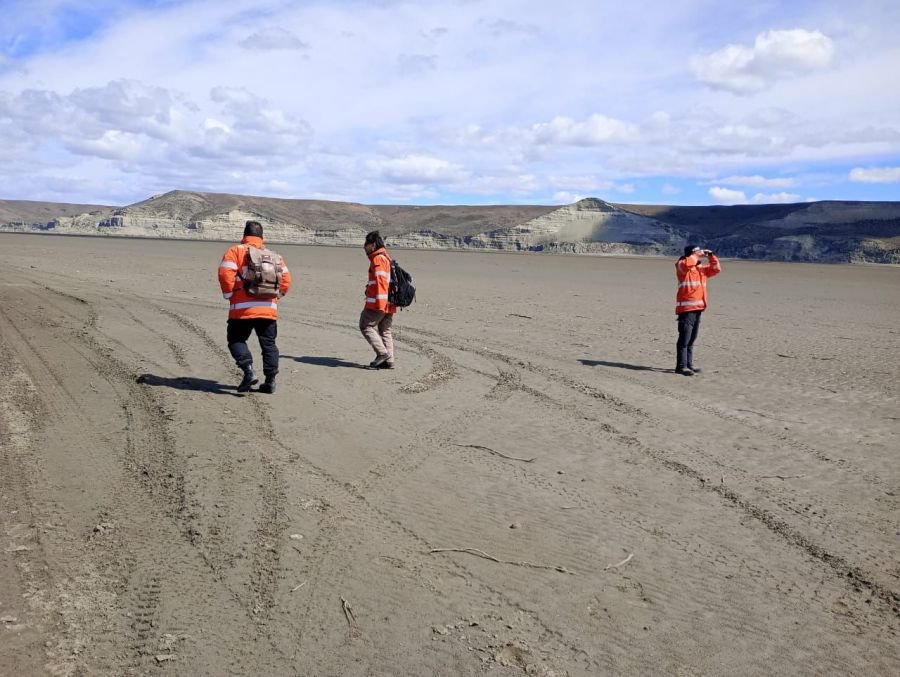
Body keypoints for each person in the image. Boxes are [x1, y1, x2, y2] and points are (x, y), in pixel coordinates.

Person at [217, 220, 291, 393]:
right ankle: (270, 381)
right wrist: (276, 297)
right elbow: (286, 280)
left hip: (242, 309)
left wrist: (229, 294)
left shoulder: (235, 251)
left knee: (236, 339)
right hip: (268, 309)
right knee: (269, 344)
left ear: (244, 236)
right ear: (262, 237)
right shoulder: (275, 256)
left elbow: (225, 274)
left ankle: (248, 371)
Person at [674, 245, 721, 376]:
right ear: (691, 254)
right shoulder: (682, 265)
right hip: (686, 308)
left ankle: (689, 364)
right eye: (697, 252)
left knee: (691, 339)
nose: (700, 254)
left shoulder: (700, 269)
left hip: (698, 308)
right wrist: (697, 254)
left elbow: (716, 269)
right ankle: (681, 366)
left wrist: (711, 256)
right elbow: (687, 263)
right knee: (684, 339)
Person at [359, 230, 396, 369]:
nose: (364, 247)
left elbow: (381, 281)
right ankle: (389, 360)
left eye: (366, 244)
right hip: (390, 302)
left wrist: (380, 304)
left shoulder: (378, 259)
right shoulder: (386, 258)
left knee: (365, 325)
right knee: (385, 330)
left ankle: (382, 353)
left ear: (373, 245)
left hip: (380, 303)